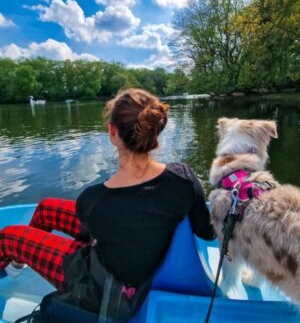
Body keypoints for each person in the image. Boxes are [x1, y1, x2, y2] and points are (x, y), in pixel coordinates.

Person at [0, 88, 215, 322]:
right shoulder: (183, 177)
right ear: (155, 132)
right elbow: (206, 231)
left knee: (8, 236)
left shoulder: (94, 200)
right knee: (45, 207)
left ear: (112, 132)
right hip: (136, 254)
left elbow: (101, 228)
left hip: (102, 286)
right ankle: (15, 266)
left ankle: (9, 267)